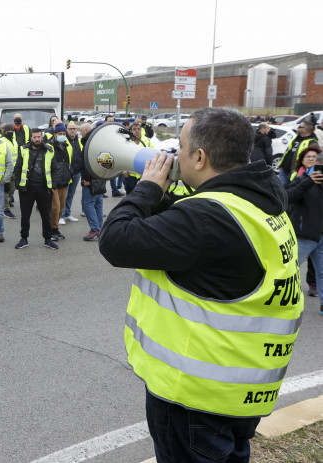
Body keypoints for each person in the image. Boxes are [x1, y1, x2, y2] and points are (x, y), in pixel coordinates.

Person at [99, 107, 302, 463]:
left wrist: (146, 189)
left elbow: (115, 241)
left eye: (179, 147)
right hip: (239, 393)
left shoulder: (206, 219)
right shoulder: (261, 198)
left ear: (200, 156)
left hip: (194, 398)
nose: (174, 155)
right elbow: (198, 224)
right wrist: (165, 196)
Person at [285, 145, 323, 306]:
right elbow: (287, 196)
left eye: (315, 157)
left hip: (321, 235)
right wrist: (308, 182)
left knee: (321, 272)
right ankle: (281, 301)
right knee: (290, 270)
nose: (311, 159)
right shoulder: (301, 179)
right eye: (308, 157)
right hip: (304, 234)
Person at [14, 128, 56, 250]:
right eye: (35, 137)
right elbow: (18, 168)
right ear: (31, 138)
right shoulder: (24, 149)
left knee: (46, 215)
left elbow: (54, 169)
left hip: (44, 188)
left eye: (39, 137)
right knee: (25, 216)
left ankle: (48, 239)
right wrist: (18, 185)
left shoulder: (49, 150)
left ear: (42, 137)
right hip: (27, 189)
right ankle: (24, 238)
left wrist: (53, 186)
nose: (37, 139)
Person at [80, 125, 104, 241]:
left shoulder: (89, 142)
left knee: (87, 204)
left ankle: (95, 229)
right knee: (98, 204)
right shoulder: (99, 140)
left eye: (81, 131)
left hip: (91, 180)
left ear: (86, 131)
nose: (80, 133)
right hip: (100, 178)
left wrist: (87, 179)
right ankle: (100, 228)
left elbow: (87, 162)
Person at [49, 123, 72, 241]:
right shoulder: (50, 146)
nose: (62, 136)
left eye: (64, 134)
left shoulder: (67, 146)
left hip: (64, 181)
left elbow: (69, 163)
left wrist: (69, 174)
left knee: (61, 207)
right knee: (55, 207)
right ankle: (51, 229)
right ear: (55, 134)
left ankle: (56, 228)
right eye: (60, 134)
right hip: (54, 183)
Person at [278, 120, 319, 185]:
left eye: (299, 126)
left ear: (305, 129)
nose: (297, 128)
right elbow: (288, 151)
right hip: (284, 170)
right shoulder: (297, 138)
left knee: (289, 192)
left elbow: (313, 160)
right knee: (282, 192)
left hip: (295, 173)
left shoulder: (312, 142)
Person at [60, 122, 85, 224]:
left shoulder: (79, 141)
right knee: (64, 195)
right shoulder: (63, 141)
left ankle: (67, 214)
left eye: (74, 128)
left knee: (70, 195)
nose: (72, 130)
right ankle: (61, 215)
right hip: (67, 173)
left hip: (76, 173)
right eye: (70, 129)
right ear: (67, 130)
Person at [122, 122, 153, 195]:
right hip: (131, 175)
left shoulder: (148, 141)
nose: (137, 131)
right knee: (130, 194)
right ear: (131, 131)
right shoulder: (126, 141)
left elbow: (153, 155)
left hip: (144, 174)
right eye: (134, 129)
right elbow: (122, 156)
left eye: (139, 129)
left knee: (143, 195)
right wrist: (124, 171)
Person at [0, 123, 18, 219]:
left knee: (13, 188)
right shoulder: (1, 141)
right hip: (5, 170)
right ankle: (5, 209)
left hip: (14, 169)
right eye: (8, 131)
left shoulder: (14, 140)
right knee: (6, 189)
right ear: (4, 132)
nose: (10, 132)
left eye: (12, 131)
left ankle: (2, 202)